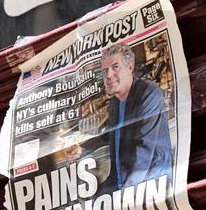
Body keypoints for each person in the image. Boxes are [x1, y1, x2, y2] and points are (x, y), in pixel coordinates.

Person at [68, 43, 173, 189]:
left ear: (130, 67)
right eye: (105, 71)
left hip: (149, 179)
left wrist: (126, 192)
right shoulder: (115, 102)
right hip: (119, 179)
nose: (109, 75)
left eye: (115, 67)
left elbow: (144, 148)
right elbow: (110, 133)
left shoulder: (148, 93)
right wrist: (83, 149)